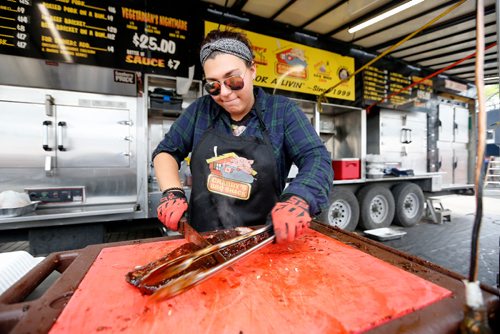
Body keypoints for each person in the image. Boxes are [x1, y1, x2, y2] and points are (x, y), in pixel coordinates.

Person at [152, 28, 333, 243]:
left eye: (233, 80)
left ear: (253, 70)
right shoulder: (201, 111)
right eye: (213, 85)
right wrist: (172, 191)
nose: (225, 93)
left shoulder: (283, 112)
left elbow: (316, 158)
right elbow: (166, 151)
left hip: (263, 241)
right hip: (203, 241)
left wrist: (300, 197)